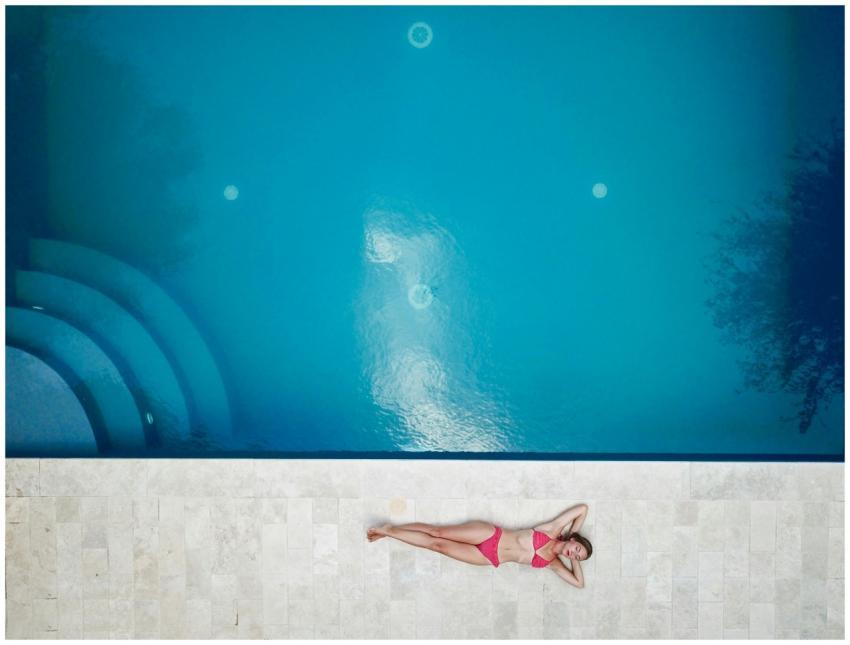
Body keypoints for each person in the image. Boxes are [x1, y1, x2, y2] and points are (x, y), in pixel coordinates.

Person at [367, 503, 591, 588]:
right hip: (491, 535)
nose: (574, 554)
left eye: (577, 557)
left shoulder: (554, 564)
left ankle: (389, 532)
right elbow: (582, 508)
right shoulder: (552, 529)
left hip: (488, 558)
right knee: (438, 532)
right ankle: (390, 529)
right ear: (573, 541)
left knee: (437, 546)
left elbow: (579, 583)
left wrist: (575, 561)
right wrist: (574, 531)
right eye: (578, 549)